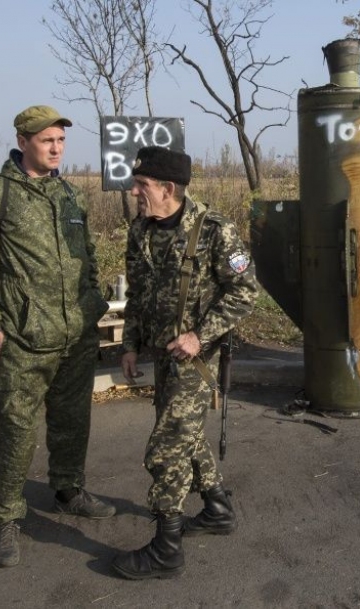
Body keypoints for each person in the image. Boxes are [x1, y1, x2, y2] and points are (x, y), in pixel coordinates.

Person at [0, 105, 114, 569]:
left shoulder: (70, 196)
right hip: (23, 341)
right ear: (23, 141)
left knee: (72, 421)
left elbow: (89, 258)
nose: (57, 148)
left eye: (61, 141)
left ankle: (67, 490)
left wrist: (92, 306)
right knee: (18, 430)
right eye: (48, 141)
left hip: (74, 336)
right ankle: (4, 516)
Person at [112, 146, 259, 580]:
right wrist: (130, 344)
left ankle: (166, 549)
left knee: (167, 447)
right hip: (162, 356)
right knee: (185, 434)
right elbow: (136, 295)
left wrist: (201, 335)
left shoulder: (215, 231)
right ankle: (216, 509)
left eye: (142, 185)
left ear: (168, 189)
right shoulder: (140, 231)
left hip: (199, 360)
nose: (135, 192)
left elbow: (245, 291)